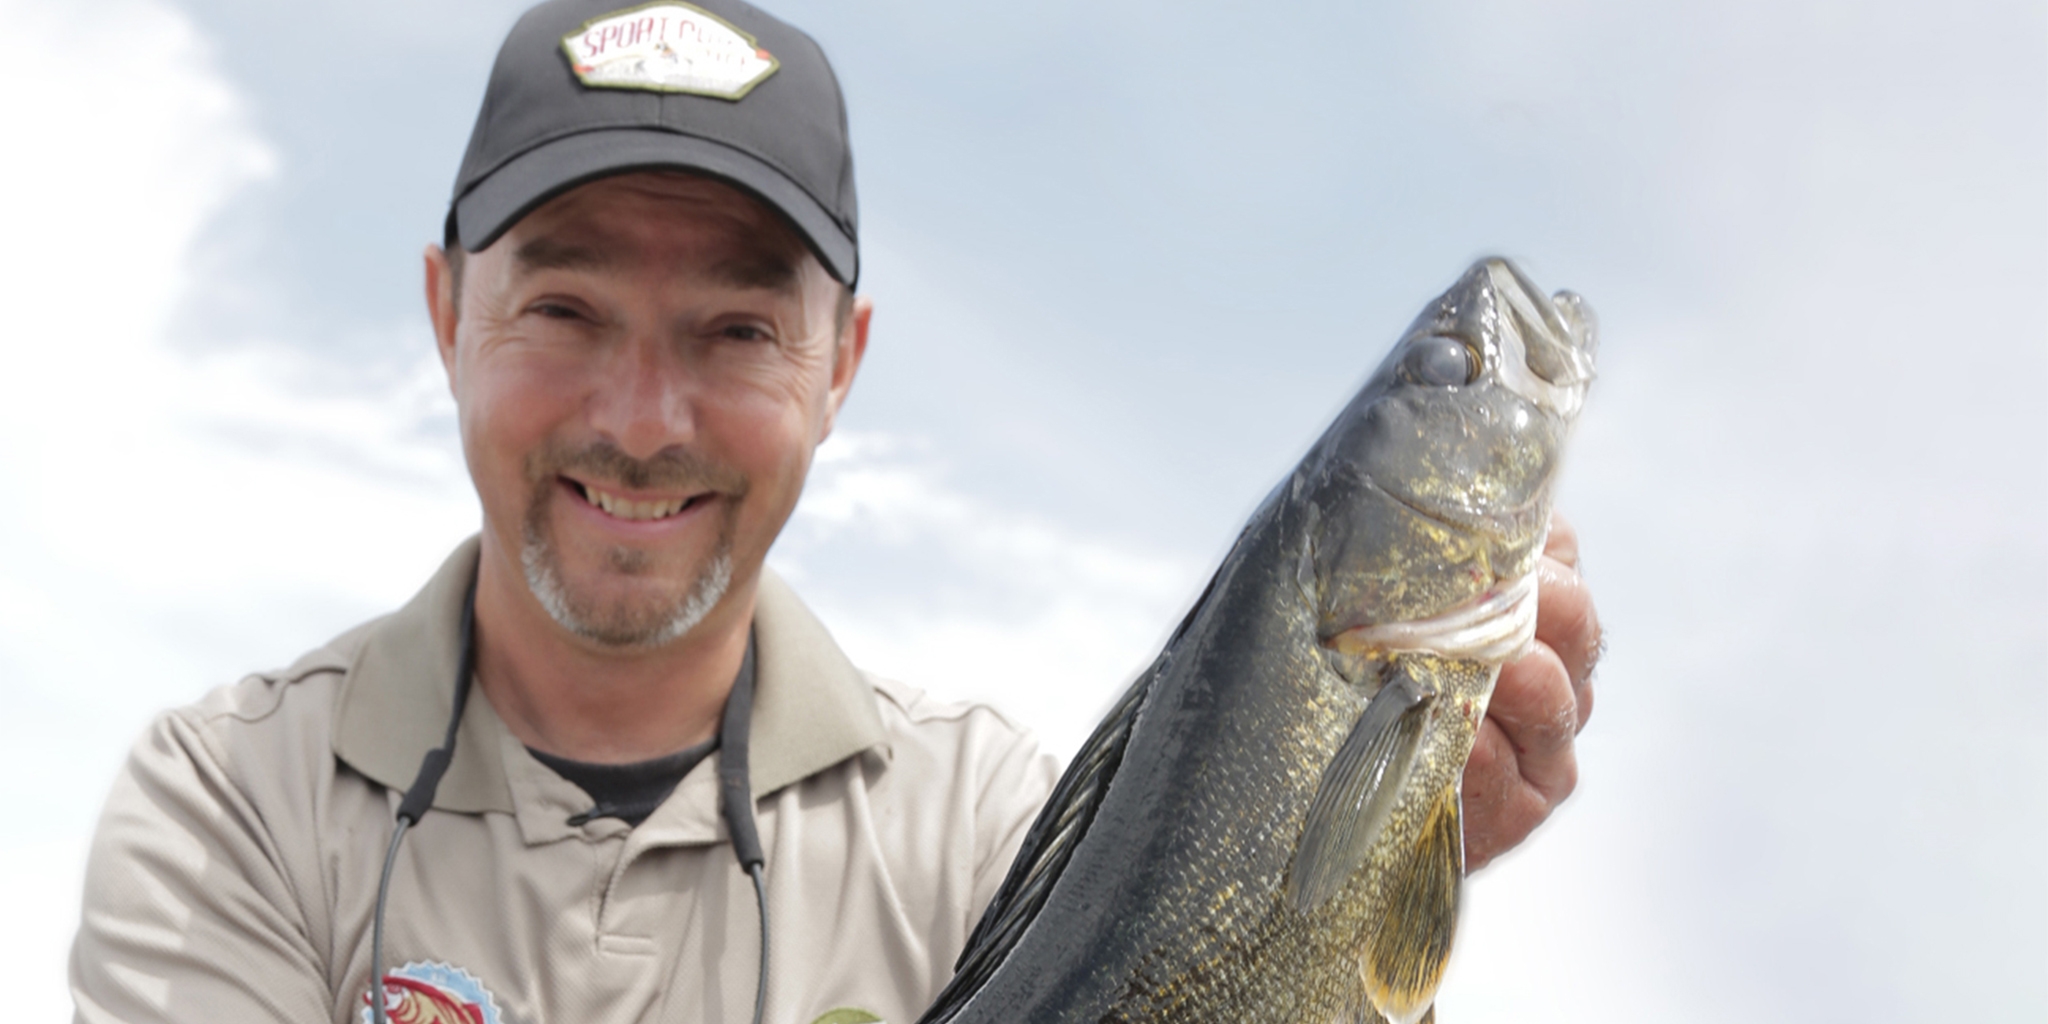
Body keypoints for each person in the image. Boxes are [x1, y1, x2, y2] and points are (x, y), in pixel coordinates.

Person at [69, 2, 1604, 1022]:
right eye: (566, 308)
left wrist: (1373, 867)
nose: (642, 418)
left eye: (737, 330)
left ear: (840, 364)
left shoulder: (992, 828)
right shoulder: (233, 811)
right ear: (444, 309)